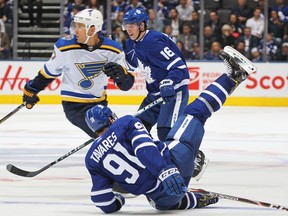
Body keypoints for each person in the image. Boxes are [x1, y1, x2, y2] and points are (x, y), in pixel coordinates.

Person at [84, 46, 256, 213]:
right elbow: (144, 148)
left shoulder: (91, 158)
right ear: (110, 118)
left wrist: (117, 203)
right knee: (195, 112)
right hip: (175, 164)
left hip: (163, 198)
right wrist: (164, 170)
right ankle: (234, 76)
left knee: (163, 201)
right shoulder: (125, 123)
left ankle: (195, 199)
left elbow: (100, 197)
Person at [120, 8, 207, 180]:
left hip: (173, 93)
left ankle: (194, 160)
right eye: (126, 26)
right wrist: (119, 72)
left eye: (132, 26)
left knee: (167, 134)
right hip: (154, 94)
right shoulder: (131, 43)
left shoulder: (153, 42)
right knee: (138, 129)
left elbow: (179, 67)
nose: (128, 29)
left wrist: (169, 82)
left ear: (142, 25)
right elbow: (130, 66)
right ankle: (149, 163)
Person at [22, 8, 134, 139]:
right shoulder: (65, 47)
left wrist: (122, 76)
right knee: (112, 137)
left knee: (123, 134)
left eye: (80, 26)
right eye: (75, 26)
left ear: (92, 30)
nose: (75, 30)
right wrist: (31, 89)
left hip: (100, 104)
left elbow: (126, 86)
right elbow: (48, 73)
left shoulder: (113, 50)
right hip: (74, 106)